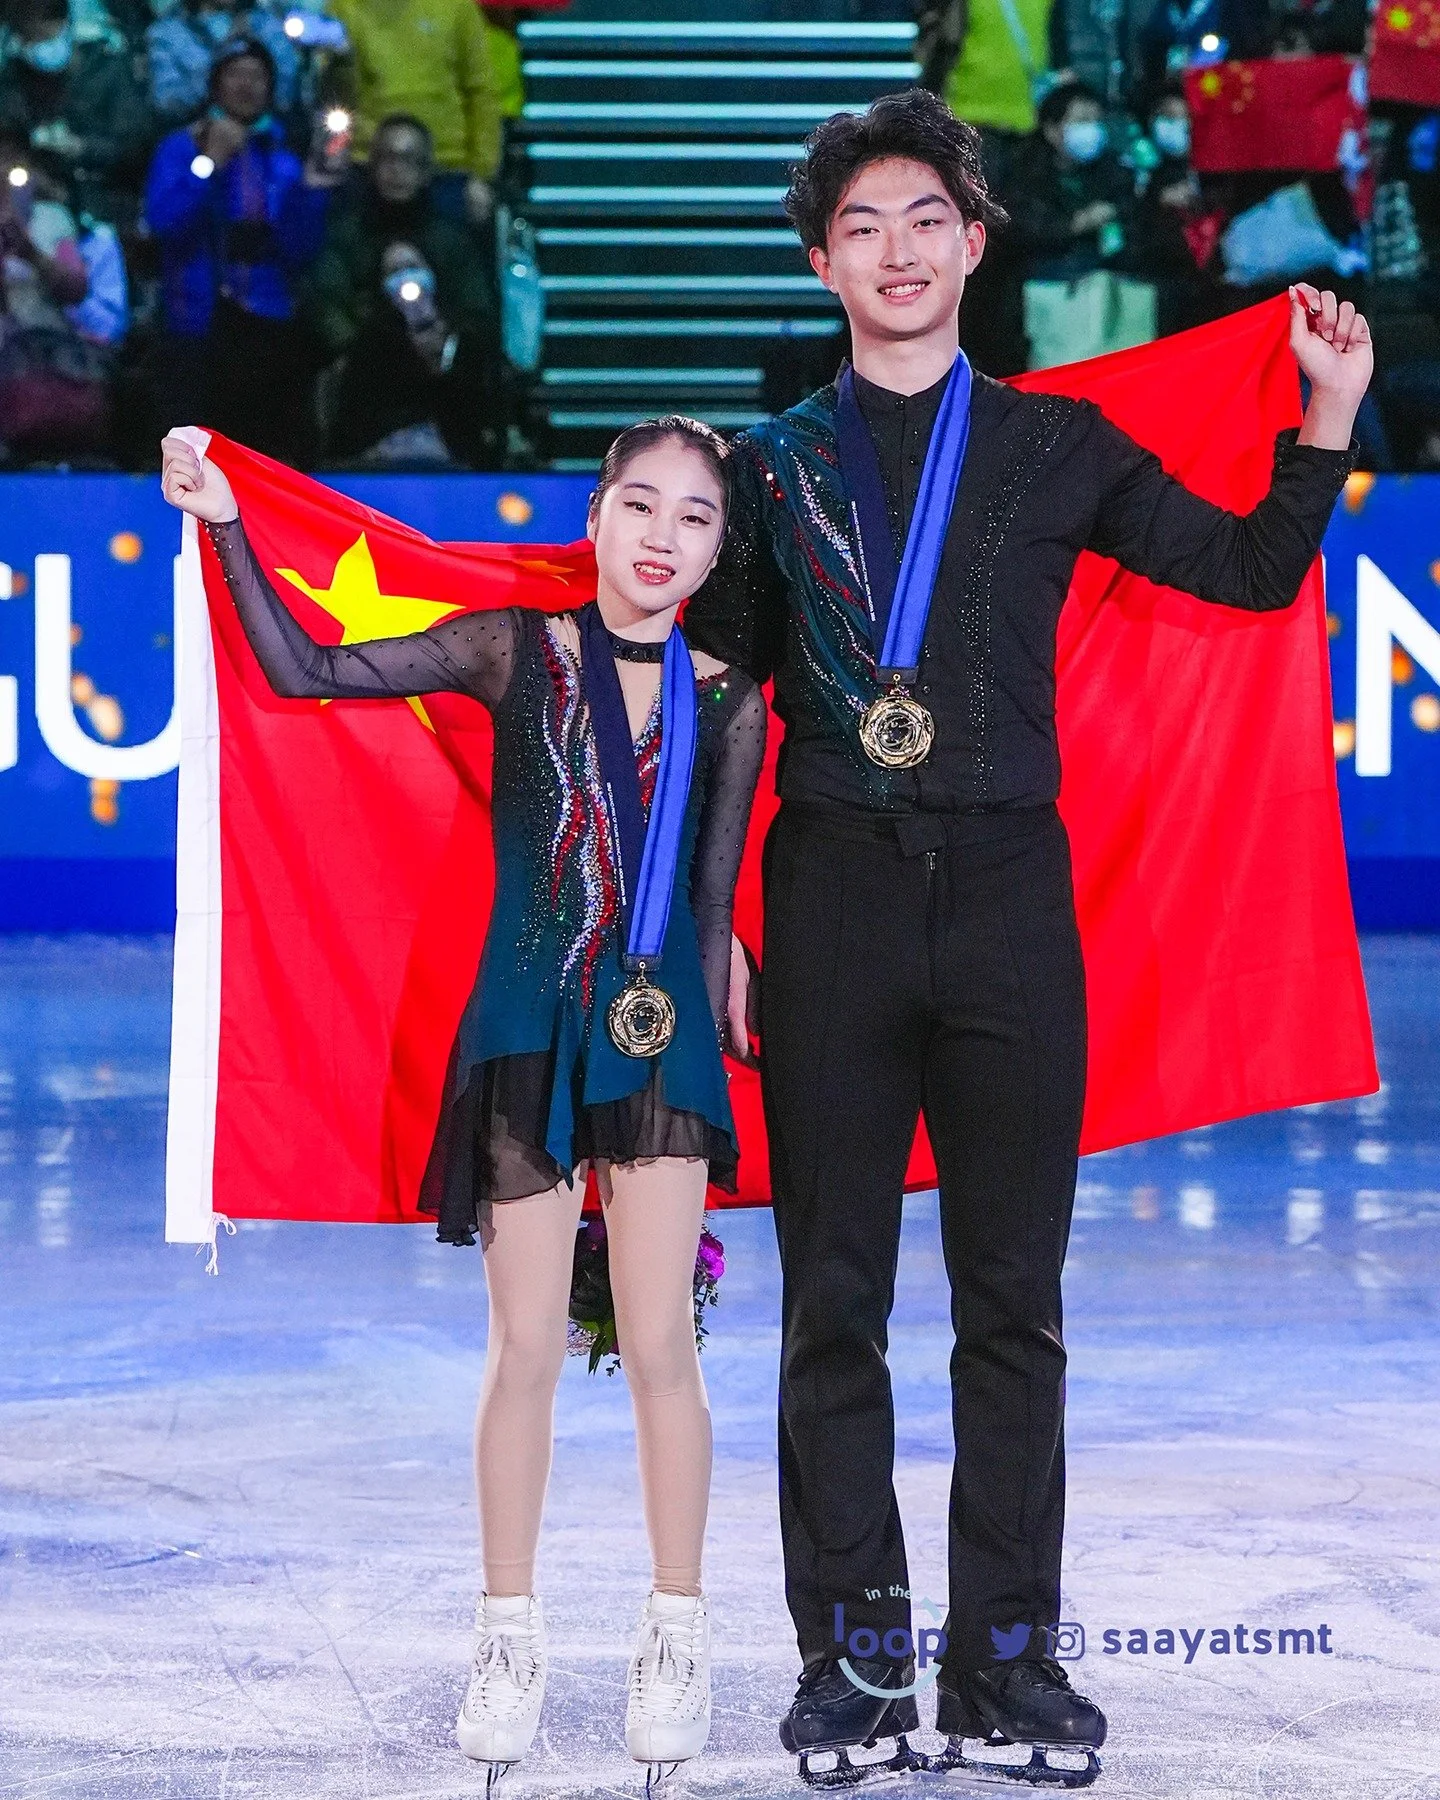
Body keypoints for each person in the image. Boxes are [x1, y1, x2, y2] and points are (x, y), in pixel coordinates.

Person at [681, 87, 1370, 1787]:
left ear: (977, 244)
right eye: (862, 227)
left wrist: (1331, 413)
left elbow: (1251, 570)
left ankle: (1004, 1667)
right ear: (823, 263)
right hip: (829, 903)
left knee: (1014, 1306)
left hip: (1007, 902)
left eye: (927, 220)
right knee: (831, 1306)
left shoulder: (1059, 446)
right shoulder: (765, 470)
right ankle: (854, 1667)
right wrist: (712, 927)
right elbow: (723, 710)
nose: (898, 251)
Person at [157, 413, 768, 1787]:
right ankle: (508, 1638)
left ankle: (677, 1632)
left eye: (695, 517)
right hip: (524, 1027)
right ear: (596, 517)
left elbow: (714, 895)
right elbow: (306, 668)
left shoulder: (732, 700)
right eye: (640, 505)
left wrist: (737, 1004)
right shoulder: (514, 648)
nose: (663, 536)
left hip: (655, 1040)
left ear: (717, 548)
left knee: (661, 1345)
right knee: (526, 1347)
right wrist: (229, 523)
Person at [145, 34, 340, 463]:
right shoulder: (183, 146)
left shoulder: (283, 155)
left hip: (269, 323)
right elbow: (164, 220)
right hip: (198, 323)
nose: (246, 85)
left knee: (269, 453)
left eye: (257, 76)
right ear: (216, 84)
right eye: (235, 74)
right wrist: (208, 164)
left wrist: (312, 193)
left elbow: (300, 249)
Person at [304, 112, 501, 465]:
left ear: (426, 172)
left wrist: (446, 338)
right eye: (388, 159)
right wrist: (358, 343)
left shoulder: (451, 240)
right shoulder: (348, 234)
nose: (397, 171)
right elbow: (325, 301)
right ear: (373, 167)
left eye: (409, 160)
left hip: (439, 378)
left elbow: (477, 310)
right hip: (367, 373)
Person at [330, 0, 502, 225]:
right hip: (368, 167)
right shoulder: (345, 8)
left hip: (445, 168)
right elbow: (333, 95)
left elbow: (481, 93)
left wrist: (482, 174)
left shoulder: (458, 7)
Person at [0, 0, 151, 228]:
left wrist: (82, 147)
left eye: (44, 35)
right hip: (47, 205)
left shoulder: (106, 67)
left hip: (111, 201)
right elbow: (10, 140)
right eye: (29, 38)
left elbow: (135, 141)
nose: (38, 45)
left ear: (65, 24)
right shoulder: (15, 81)